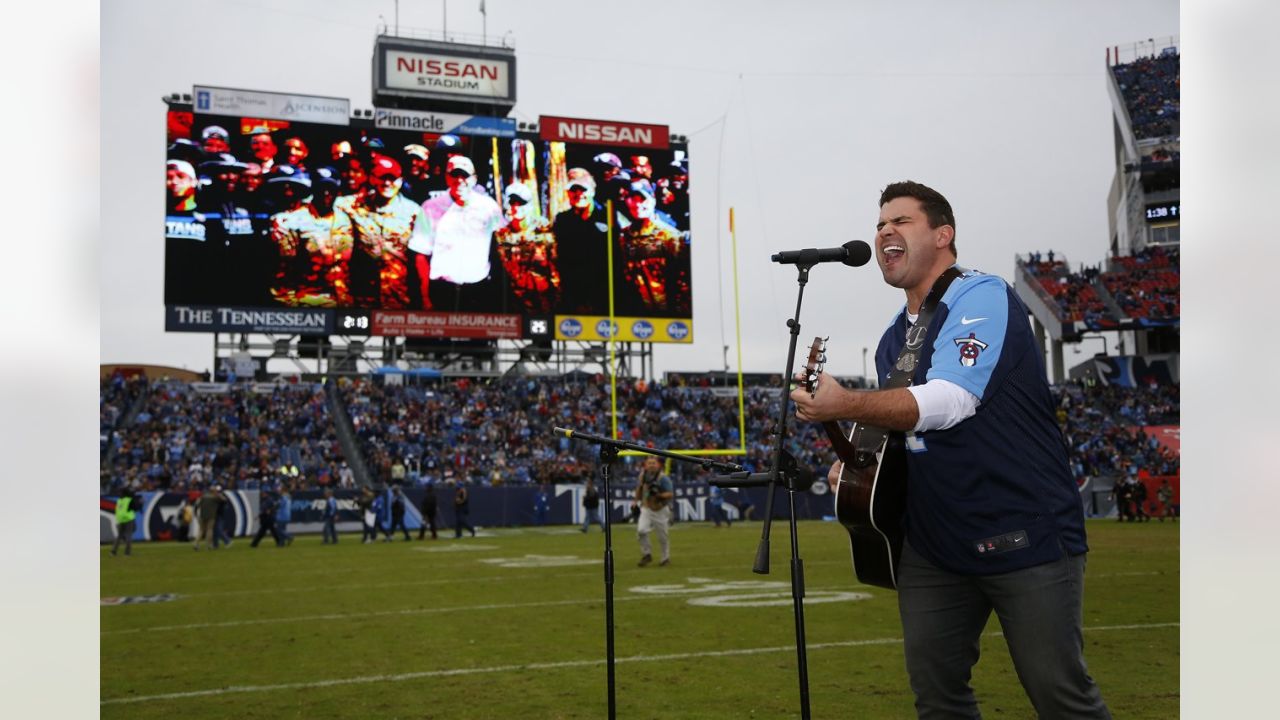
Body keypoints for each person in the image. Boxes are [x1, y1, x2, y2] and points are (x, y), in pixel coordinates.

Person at [789, 181, 1109, 718]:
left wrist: (847, 403)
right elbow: (905, 438)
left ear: (944, 234)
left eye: (901, 221)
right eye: (880, 223)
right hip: (935, 547)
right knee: (938, 700)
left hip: (1021, 532)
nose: (885, 230)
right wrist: (854, 462)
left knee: (1061, 697)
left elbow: (953, 399)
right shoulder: (895, 338)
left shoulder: (980, 294)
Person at [332, 155, 429, 308]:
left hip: (399, 295)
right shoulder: (353, 205)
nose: (387, 183)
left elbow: (422, 256)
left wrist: (424, 298)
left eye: (393, 178)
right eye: (382, 178)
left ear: (401, 180)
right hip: (362, 296)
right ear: (372, 178)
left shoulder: (414, 211)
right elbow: (325, 201)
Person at [410, 155, 504, 311]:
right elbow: (421, 254)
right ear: (446, 177)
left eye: (465, 175)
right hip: (442, 291)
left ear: (474, 179)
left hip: (478, 291)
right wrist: (425, 296)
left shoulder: (489, 207)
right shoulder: (430, 207)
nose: (459, 180)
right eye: (454, 175)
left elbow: (500, 246)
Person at [616, 178, 689, 315]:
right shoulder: (623, 237)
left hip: (666, 312)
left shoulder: (670, 236)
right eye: (632, 198)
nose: (637, 204)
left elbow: (682, 283)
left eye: (642, 198)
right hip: (636, 313)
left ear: (653, 199)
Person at [552, 168, 611, 314]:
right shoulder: (562, 220)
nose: (578, 194)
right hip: (574, 291)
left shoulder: (608, 215)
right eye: (573, 189)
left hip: (603, 290)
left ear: (592, 190)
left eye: (583, 189)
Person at [495, 182, 560, 313]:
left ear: (529, 206)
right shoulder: (500, 236)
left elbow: (555, 268)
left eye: (521, 203)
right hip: (513, 304)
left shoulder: (544, 231)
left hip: (543, 302)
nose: (517, 207)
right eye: (513, 203)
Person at [634, 456, 673, 567]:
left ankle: (665, 558)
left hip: (660, 509)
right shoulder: (642, 476)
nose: (651, 465)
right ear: (645, 465)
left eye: (653, 463)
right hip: (646, 508)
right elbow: (639, 488)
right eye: (649, 463)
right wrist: (635, 500)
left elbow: (670, 493)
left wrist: (659, 495)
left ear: (658, 465)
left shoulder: (663, 478)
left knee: (662, 536)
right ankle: (647, 554)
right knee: (641, 531)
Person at [109, 488, 138, 557]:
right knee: (128, 536)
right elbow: (135, 508)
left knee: (119, 536)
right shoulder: (129, 500)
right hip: (128, 520)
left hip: (121, 520)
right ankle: (127, 553)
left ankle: (113, 551)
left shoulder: (119, 500)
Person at [194, 485, 222, 551]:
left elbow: (196, 505)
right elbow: (224, 500)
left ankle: (196, 544)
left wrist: (196, 514)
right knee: (210, 530)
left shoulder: (203, 496)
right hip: (211, 515)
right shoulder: (215, 497)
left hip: (202, 515)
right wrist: (218, 494)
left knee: (201, 530)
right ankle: (208, 546)